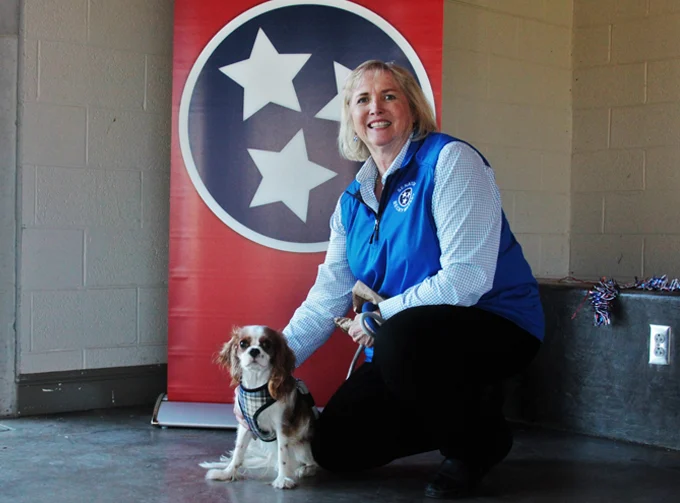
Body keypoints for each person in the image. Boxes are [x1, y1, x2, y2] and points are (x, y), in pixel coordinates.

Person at [240, 59, 544, 499]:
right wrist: (271, 365)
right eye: (362, 99)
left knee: (400, 340)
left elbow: (466, 279)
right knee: (333, 447)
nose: (375, 108)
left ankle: (478, 443)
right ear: (351, 117)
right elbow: (327, 298)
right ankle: (466, 409)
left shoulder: (451, 161)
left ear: (413, 108)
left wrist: (381, 313)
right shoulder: (351, 202)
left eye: (389, 96)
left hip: (496, 324)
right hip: (408, 342)